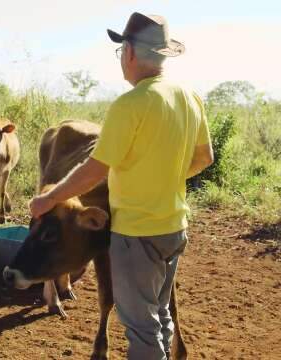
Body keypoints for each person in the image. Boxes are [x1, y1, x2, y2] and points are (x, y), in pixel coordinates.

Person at [28, 12, 214, 360]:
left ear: (128, 52)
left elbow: (94, 169)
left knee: (140, 328)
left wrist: (49, 198)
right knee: (159, 315)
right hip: (174, 228)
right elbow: (205, 157)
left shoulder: (130, 105)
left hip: (136, 234)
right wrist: (164, 177)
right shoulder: (189, 96)